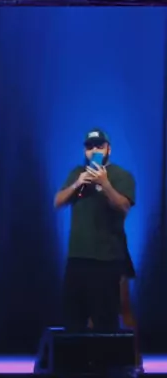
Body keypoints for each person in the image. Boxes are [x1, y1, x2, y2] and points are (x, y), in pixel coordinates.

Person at [54, 129, 135, 332]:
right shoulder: (77, 172)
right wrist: (77, 183)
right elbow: (57, 202)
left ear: (108, 149)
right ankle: (76, 353)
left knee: (105, 321)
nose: (94, 151)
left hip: (106, 259)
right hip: (77, 257)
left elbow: (124, 206)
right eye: (90, 147)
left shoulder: (121, 175)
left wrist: (104, 184)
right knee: (73, 321)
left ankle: (108, 354)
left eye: (99, 146)